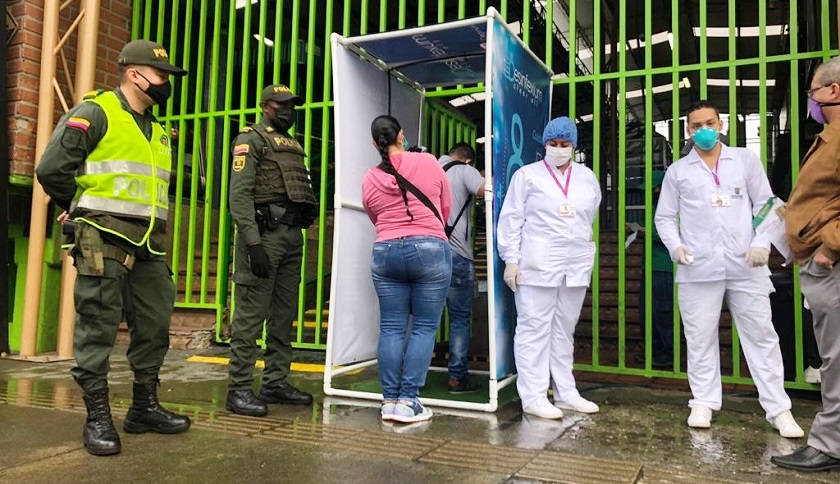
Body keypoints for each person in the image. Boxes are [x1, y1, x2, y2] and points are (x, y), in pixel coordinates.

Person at [35, 39, 191, 456]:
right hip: (101, 238)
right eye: (162, 76)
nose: (167, 83)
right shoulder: (95, 113)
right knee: (98, 327)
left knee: (155, 327)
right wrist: (77, 206)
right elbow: (51, 169)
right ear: (134, 73)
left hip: (148, 245)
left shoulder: (159, 129)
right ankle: (98, 417)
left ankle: (143, 407)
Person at [654, 100, 803, 438]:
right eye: (696, 126)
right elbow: (663, 217)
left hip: (745, 264)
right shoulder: (679, 171)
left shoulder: (745, 160)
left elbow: (768, 205)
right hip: (698, 267)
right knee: (700, 336)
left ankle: (779, 408)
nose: (703, 130)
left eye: (709, 123)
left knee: (762, 335)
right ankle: (704, 401)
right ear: (688, 131)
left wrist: (763, 242)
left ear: (720, 124)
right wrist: (676, 247)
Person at [497, 116, 602, 420]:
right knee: (533, 329)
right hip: (536, 264)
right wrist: (511, 259)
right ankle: (533, 395)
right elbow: (512, 218)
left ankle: (566, 392)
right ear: (544, 145)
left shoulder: (586, 177)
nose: (558, 149)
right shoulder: (527, 176)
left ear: (573, 145)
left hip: (575, 264)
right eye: (553, 144)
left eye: (564, 144)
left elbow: (589, 216)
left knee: (564, 330)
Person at [225, 84, 319, 416]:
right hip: (264, 237)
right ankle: (238, 389)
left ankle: (275, 382)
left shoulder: (292, 145)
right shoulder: (250, 140)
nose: (288, 111)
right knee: (250, 316)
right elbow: (239, 196)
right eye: (281, 106)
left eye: (292, 106)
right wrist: (252, 243)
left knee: (283, 317)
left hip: (292, 237)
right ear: (266, 107)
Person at [772, 56, 840, 472]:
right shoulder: (831, 135)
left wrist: (829, 247)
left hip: (831, 264)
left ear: (834, 91)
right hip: (819, 262)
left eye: (814, 91)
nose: (810, 100)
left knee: (836, 356)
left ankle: (830, 444)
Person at [362, 115, 452, 423]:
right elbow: (445, 207)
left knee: (391, 327)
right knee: (425, 327)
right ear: (403, 135)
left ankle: (389, 401)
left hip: (385, 252)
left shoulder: (370, 177)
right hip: (429, 248)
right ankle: (408, 400)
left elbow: (374, 214)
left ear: (375, 143)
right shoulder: (427, 162)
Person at [439, 142, 485, 393]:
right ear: (468, 160)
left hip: (428, 253)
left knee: (423, 320)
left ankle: (413, 375)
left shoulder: (431, 167)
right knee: (458, 319)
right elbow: (485, 190)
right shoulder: (465, 170)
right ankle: (457, 377)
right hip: (456, 254)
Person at [635, 170, 674, 370]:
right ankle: (654, 349)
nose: (647, 194)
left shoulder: (672, 208)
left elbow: (672, 235)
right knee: (647, 310)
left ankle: (668, 352)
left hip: (664, 267)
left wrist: (645, 232)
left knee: (662, 311)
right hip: (649, 265)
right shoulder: (653, 208)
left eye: (651, 189)